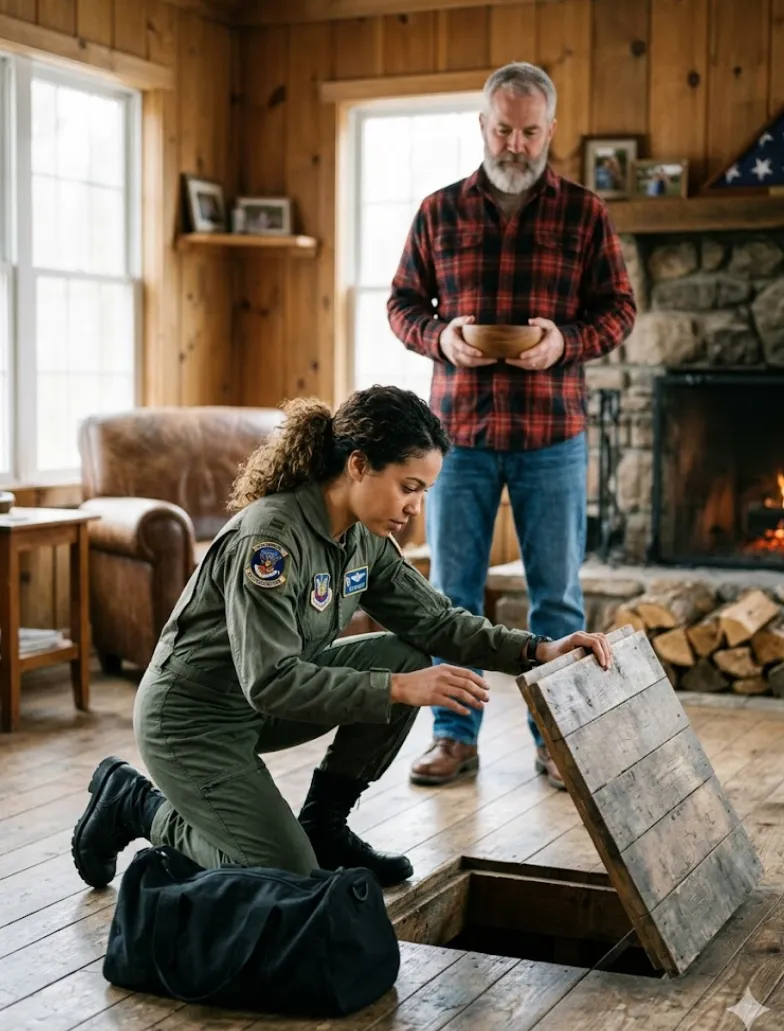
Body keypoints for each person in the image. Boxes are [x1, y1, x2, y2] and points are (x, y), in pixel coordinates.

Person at [71, 386, 612, 891]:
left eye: (423, 492)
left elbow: (439, 623)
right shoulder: (270, 542)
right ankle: (137, 804)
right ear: (358, 466)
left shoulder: (363, 537)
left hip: (256, 707)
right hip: (192, 720)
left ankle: (325, 824)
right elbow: (271, 681)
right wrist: (398, 690)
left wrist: (540, 650)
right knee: (288, 877)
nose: (415, 508)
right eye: (409, 487)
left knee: (407, 651)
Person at [387, 62, 635, 790]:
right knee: (451, 597)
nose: (516, 144)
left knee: (556, 597)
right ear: (483, 126)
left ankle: (555, 742)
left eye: (530, 131)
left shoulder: (585, 213)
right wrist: (442, 336)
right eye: (504, 129)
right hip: (454, 438)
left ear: (551, 129)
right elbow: (402, 303)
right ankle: (453, 739)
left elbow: (618, 309)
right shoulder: (438, 211)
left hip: (552, 435)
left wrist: (566, 342)